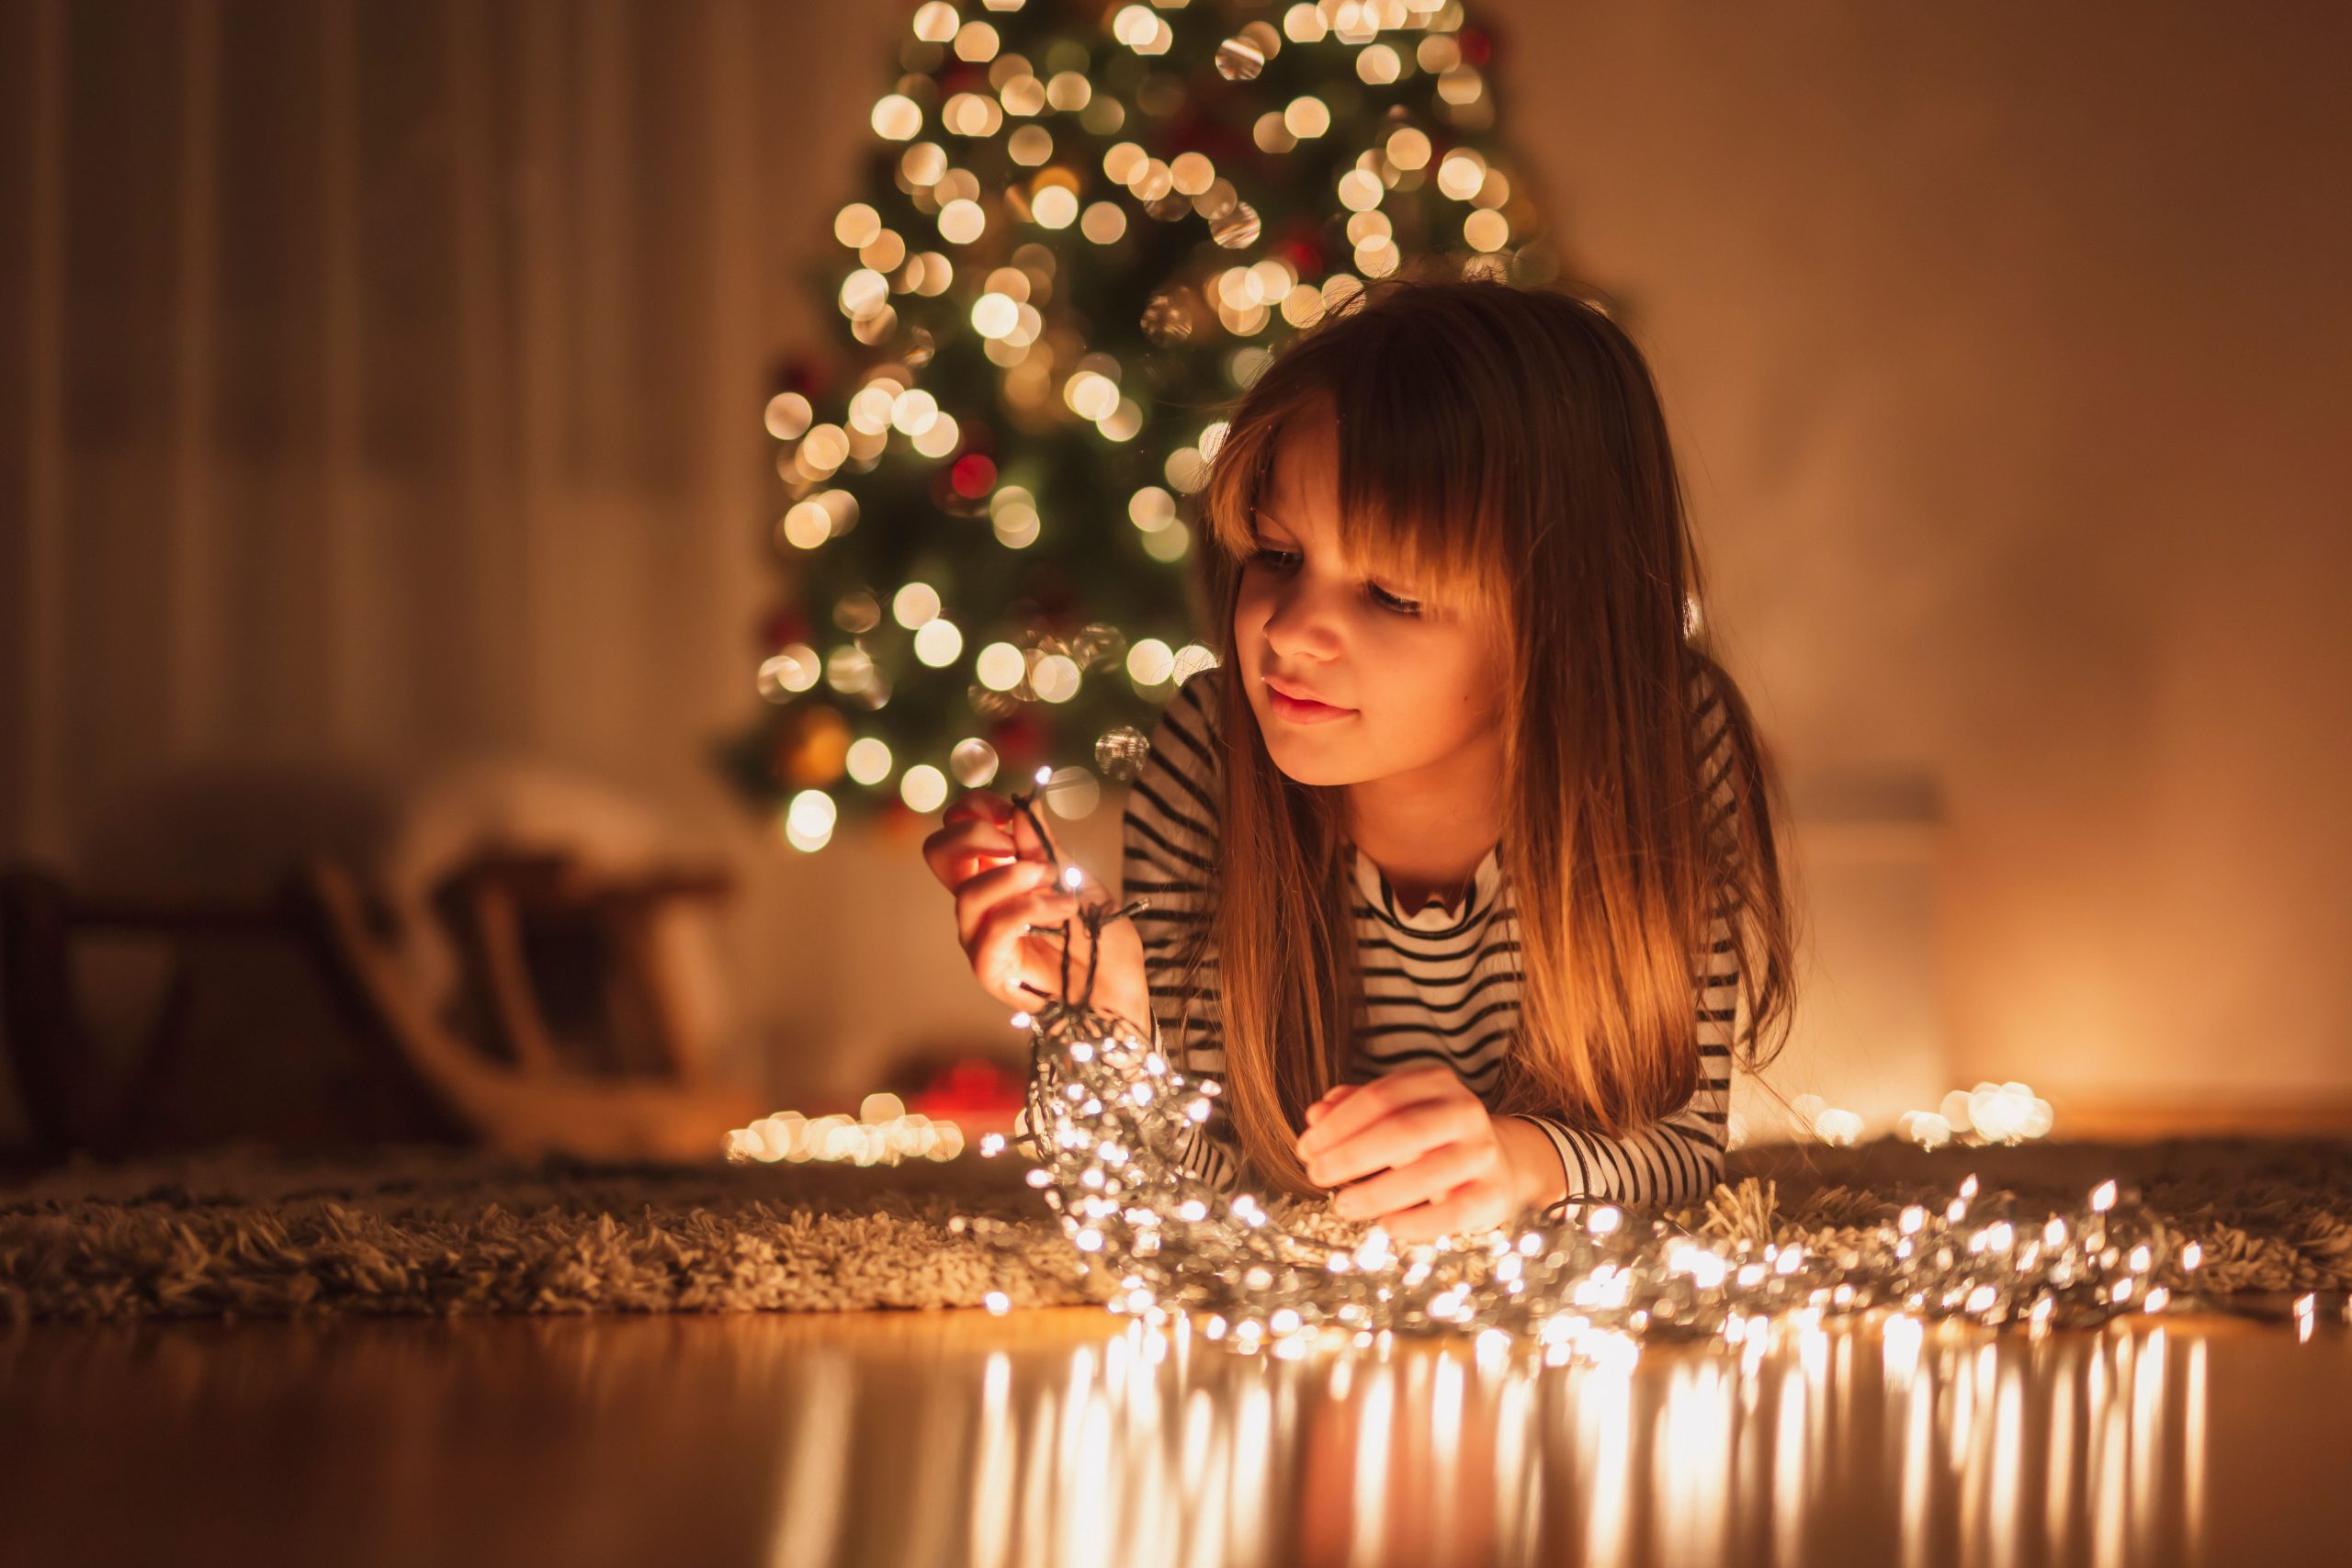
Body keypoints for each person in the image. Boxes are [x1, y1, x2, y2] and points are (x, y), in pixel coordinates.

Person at [922, 276, 1796, 1243]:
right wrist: (1113, 1022)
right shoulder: (1212, 758)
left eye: (1391, 593)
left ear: (1558, 621)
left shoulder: (1663, 743)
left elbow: (1678, 1149)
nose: (1290, 633)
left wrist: (1518, 1162)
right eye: (1277, 556)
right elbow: (1189, 1190)